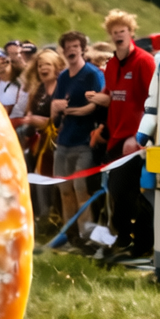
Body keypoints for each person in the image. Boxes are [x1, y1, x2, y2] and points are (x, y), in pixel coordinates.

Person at [89, 10, 155, 261]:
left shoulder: (144, 61)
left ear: (131, 34)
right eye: (114, 32)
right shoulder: (112, 64)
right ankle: (124, 238)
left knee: (136, 194)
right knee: (117, 193)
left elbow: (153, 100)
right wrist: (97, 101)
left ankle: (142, 243)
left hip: (136, 140)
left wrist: (139, 136)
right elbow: (112, 96)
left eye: (122, 31)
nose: (118, 35)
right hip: (116, 138)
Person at [51, 30, 105, 246]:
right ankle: (69, 235)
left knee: (81, 190)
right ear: (63, 51)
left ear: (83, 48)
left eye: (75, 46)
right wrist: (56, 109)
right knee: (64, 190)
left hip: (84, 142)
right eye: (68, 46)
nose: (71, 50)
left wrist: (75, 111)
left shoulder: (92, 74)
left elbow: (99, 104)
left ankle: (87, 236)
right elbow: (55, 107)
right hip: (64, 141)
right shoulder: (63, 76)